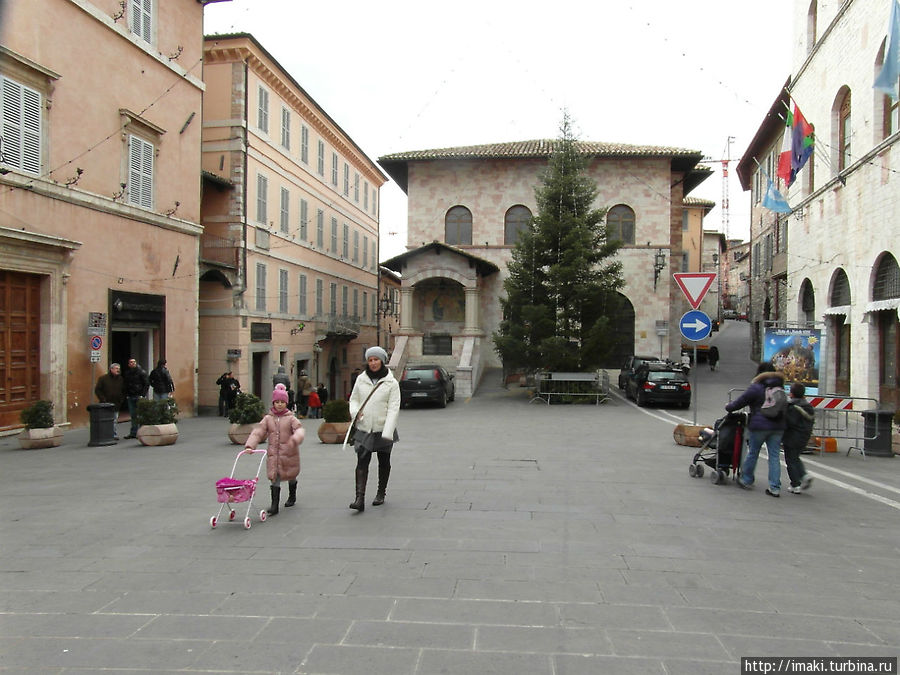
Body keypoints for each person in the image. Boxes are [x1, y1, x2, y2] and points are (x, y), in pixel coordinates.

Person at [348, 346, 400, 512]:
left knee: (384, 461)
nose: (373, 363)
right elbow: (354, 399)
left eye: (376, 359)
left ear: (382, 361)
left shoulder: (392, 383)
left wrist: (388, 430)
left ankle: (380, 493)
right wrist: (356, 413)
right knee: (362, 461)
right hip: (364, 428)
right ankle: (359, 498)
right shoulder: (361, 379)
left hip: (383, 427)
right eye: (370, 360)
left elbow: (394, 407)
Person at [725, 361, 787, 497]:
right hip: (778, 426)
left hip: (759, 426)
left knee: (753, 452)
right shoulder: (780, 387)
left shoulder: (757, 387)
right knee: (775, 456)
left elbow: (740, 402)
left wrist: (729, 407)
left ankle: (746, 479)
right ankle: (775, 487)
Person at [243, 384, 305, 516]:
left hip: (289, 453)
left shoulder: (291, 418)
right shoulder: (268, 419)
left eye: (282, 402)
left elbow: (299, 430)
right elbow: (258, 432)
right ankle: (274, 505)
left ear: (286, 403)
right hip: (274, 455)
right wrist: (250, 445)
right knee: (274, 477)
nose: (280, 405)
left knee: (291, 475)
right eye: (277, 402)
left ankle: (292, 495)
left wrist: (295, 439)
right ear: (273, 403)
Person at [783, 382, 815, 494]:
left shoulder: (793, 407)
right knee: (795, 457)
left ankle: (795, 483)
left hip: (792, 437)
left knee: (790, 460)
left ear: (791, 394)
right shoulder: (808, 406)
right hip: (804, 436)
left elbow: (789, 423)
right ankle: (804, 475)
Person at [95, 363, 124, 440]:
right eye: (116, 368)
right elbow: (98, 390)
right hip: (106, 403)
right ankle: (105, 434)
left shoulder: (121, 379)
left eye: (119, 368)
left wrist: (121, 399)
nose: (118, 370)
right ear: (111, 369)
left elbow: (123, 390)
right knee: (105, 419)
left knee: (114, 420)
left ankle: (113, 434)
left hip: (116, 403)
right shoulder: (103, 379)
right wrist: (103, 399)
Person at [122, 358, 149, 439]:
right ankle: (133, 432)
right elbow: (125, 384)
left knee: (140, 414)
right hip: (130, 396)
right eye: (130, 362)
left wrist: (143, 395)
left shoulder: (141, 372)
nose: (132, 363)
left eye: (134, 362)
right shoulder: (127, 373)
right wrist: (126, 394)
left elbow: (146, 384)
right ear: (128, 364)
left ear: (136, 363)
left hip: (138, 395)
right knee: (133, 415)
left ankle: (141, 432)